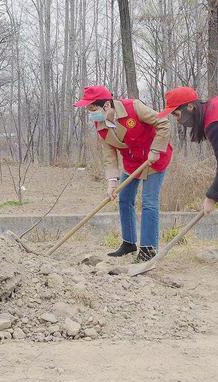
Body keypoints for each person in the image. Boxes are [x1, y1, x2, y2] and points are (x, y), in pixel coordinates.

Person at [74, 86, 173, 261]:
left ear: (105, 105)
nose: (91, 114)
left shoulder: (133, 107)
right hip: (132, 163)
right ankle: (129, 243)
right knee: (124, 199)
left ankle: (148, 250)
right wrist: (112, 182)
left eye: (92, 109)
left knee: (149, 202)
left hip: (154, 159)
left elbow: (163, 123)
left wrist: (156, 149)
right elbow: (109, 155)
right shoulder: (100, 125)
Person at [158, 87, 218, 215]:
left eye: (176, 114)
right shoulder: (216, 104)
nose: (178, 121)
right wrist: (217, 195)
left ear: (190, 107)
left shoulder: (216, 122)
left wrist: (211, 197)